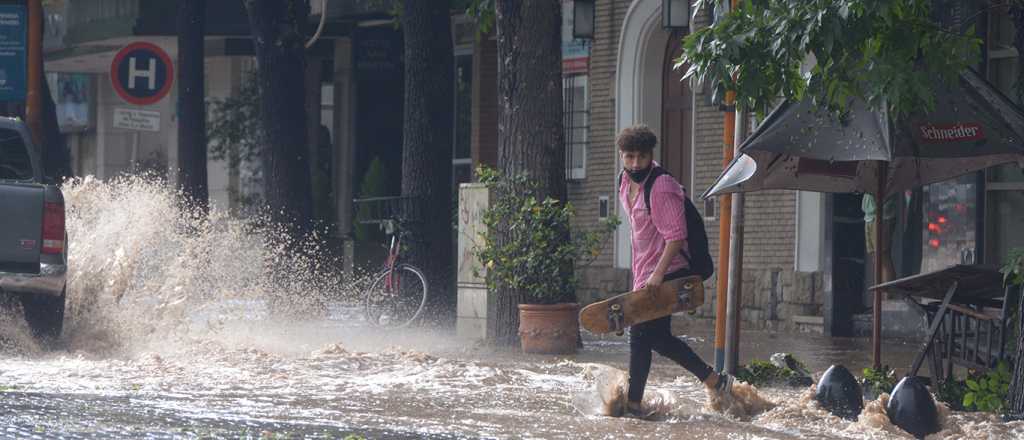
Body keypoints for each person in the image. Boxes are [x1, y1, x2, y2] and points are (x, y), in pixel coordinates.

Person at [616, 124, 732, 417]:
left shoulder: (662, 186)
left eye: (641, 157)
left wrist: (657, 275)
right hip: (647, 273)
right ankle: (713, 381)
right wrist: (641, 277)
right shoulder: (624, 183)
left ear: (650, 155)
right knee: (650, 336)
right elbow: (640, 236)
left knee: (644, 333)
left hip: (670, 270)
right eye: (629, 157)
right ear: (621, 156)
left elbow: (675, 236)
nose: (635, 164)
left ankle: (635, 403)